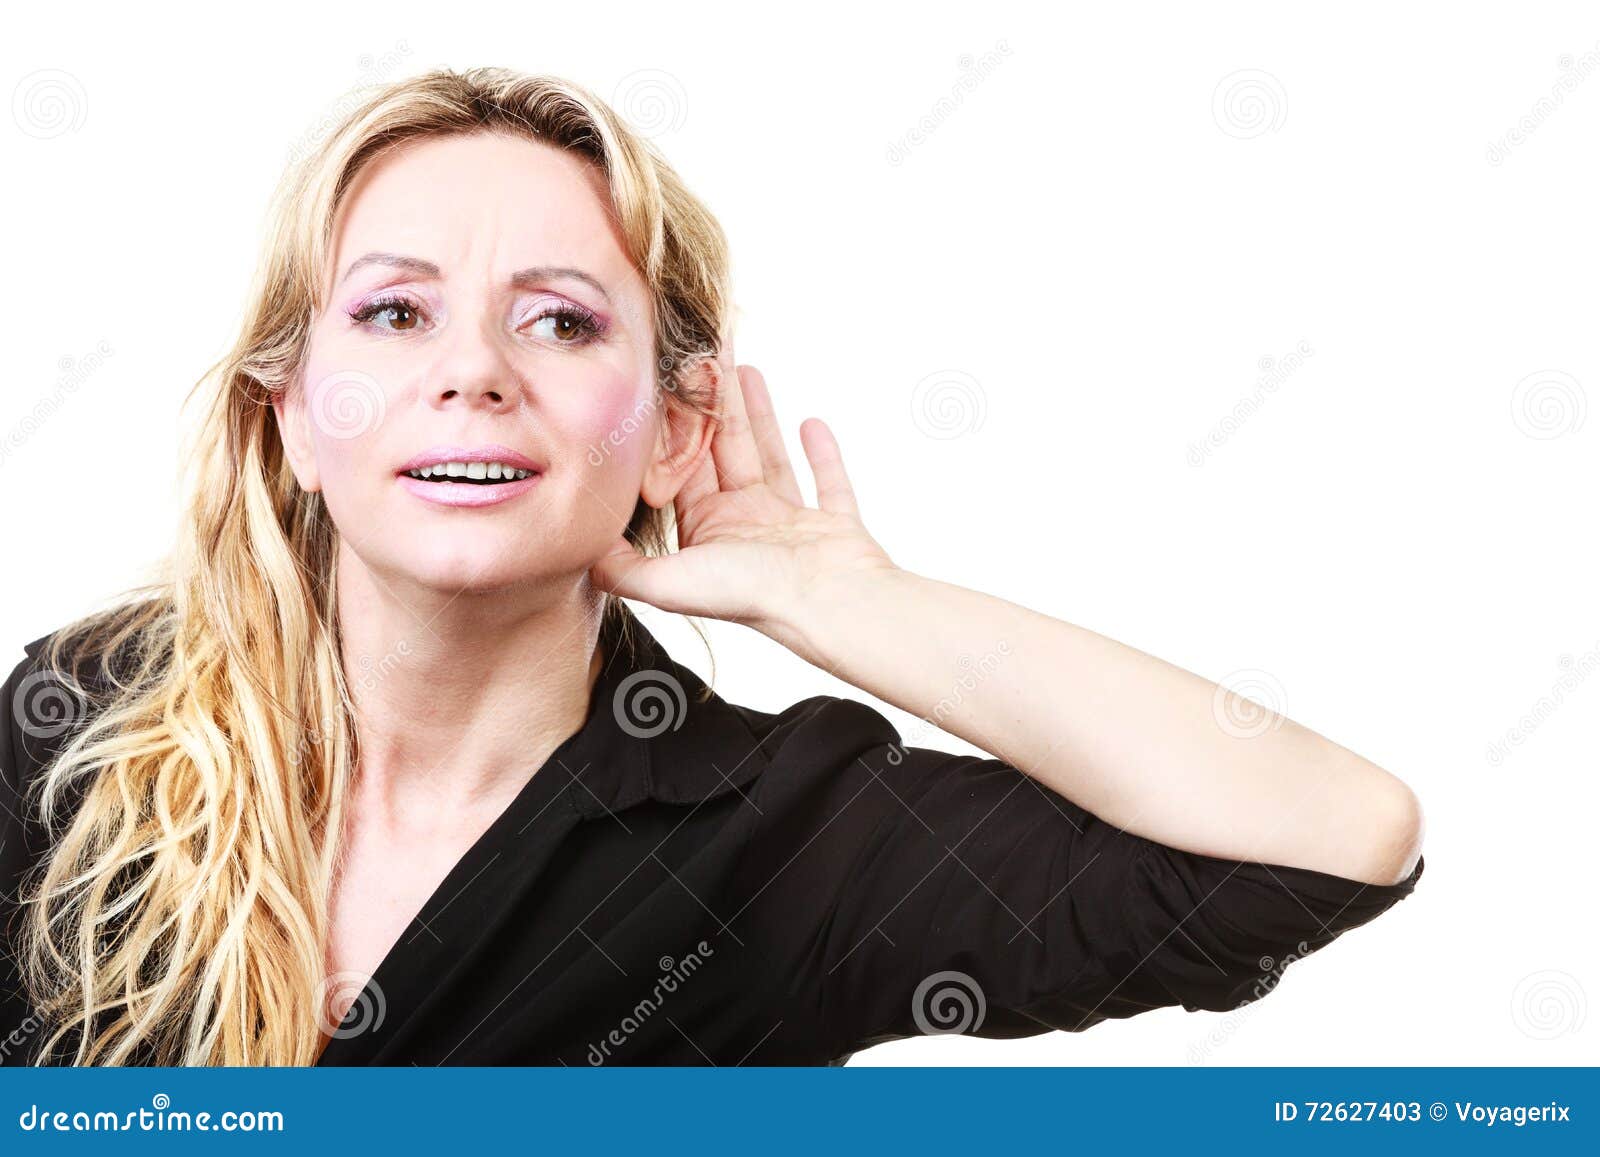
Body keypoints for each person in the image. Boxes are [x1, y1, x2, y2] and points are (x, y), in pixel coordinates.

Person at [0, 66, 1424, 1067]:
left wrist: (851, 602)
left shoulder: (784, 836)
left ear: (676, 422)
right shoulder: (81, 721)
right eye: (394, 313)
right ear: (294, 417)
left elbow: (1335, 829)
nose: (475, 374)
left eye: (559, 323)